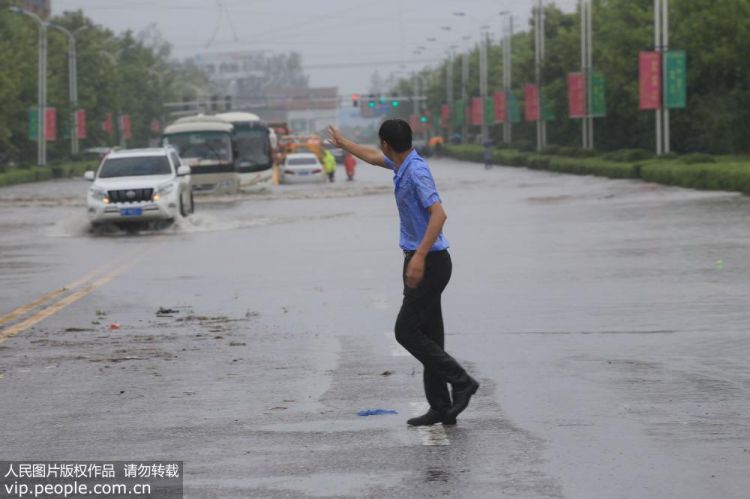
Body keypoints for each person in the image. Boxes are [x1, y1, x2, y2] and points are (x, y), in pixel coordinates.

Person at [328, 119, 479, 427]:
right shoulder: (402, 165)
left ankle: (461, 381)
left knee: (405, 331)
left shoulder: (417, 171)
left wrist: (419, 257)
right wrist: (344, 143)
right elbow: (371, 157)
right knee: (431, 336)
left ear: (387, 143)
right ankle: (440, 406)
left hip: (430, 262)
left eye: (379, 143)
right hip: (422, 259)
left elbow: (439, 214)